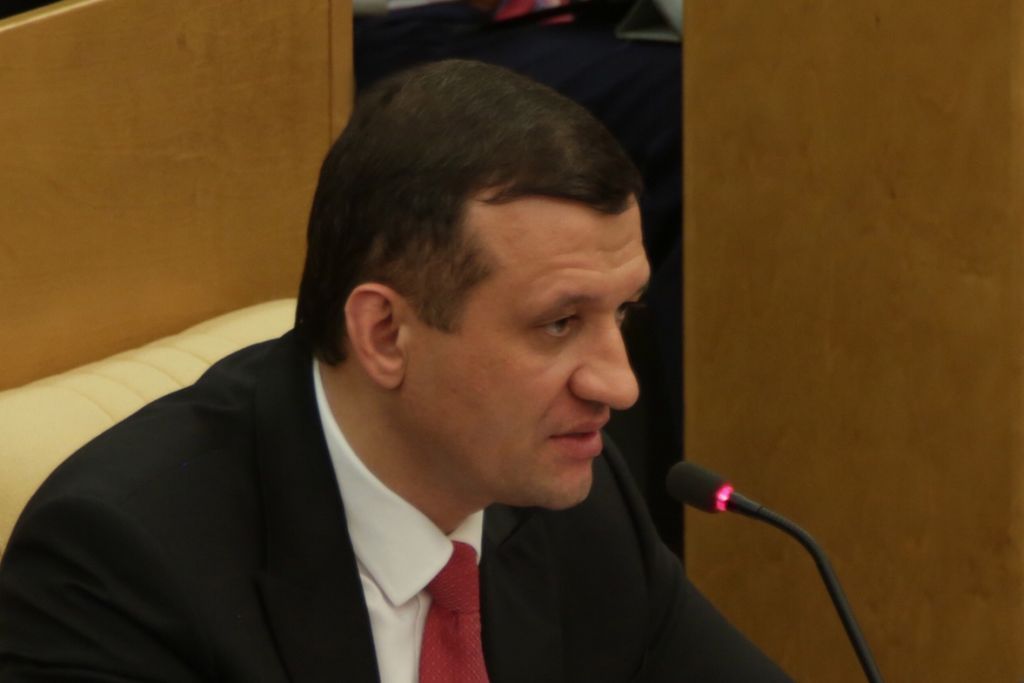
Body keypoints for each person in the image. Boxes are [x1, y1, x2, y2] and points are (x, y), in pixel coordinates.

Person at [0, 60, 789, 682]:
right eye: (559, 323)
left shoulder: (572, 497)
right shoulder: (117, 569)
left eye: (624, 314)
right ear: (383, 333)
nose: (619, 386)